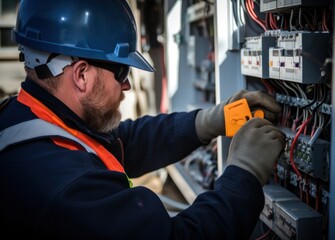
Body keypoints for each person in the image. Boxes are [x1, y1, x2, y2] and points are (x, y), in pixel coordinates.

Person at [0, 0, 285, 239]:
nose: (127, 86)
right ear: (82, 75)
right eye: (122, 72)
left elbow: (124, 142)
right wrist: (244, 173)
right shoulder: (68, 188)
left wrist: (209, 121)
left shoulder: (26, 117)